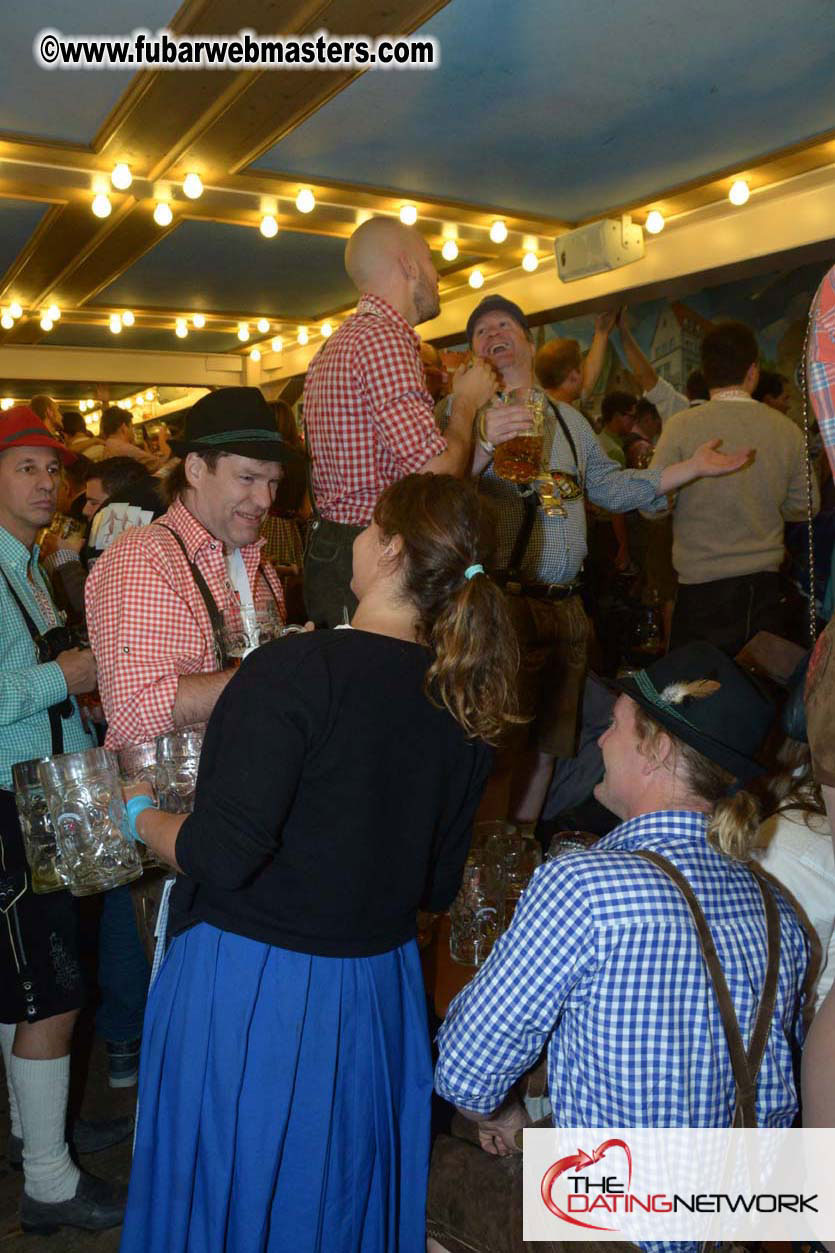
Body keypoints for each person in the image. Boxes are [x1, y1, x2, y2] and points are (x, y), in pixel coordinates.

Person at [118, 473, 519, 1252]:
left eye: (369, 527)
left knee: (232, 1196)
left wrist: (137, 811)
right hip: (376, 986)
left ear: (392, 549)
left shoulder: (295, 668)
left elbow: (216, 853)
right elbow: (436, 882)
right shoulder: (465, 697)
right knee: (338, 1201)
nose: (357, 540)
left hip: (254, 984)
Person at [435, 644, 808, 1189]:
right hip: (740, 1213)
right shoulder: (780, 914)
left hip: (617, 1217)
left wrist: (509, 1120)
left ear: (656, 749)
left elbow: (465, 1072)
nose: (601, 741)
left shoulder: (585, 889)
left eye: (614, 725)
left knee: (431, 1163)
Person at [469, 294, 751, 823]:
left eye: (504, 324)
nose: (493, 334)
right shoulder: (461, 416)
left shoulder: (570, 422)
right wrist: (479, 440)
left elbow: (612, 487)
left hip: (564, 609)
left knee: (551, 747)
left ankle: (524, 847)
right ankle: (486, 859)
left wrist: (689, 468)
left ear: (527, 339)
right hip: (499, 608)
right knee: (496, 748)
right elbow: (441, 491)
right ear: (473, 352)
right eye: (481, 331)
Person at [0, 407, 130, 1234]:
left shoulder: (28, 563)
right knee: (51, 991)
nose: (47, 482)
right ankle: (48, 1181)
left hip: (39, 795)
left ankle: (34, 1134)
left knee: (22, 986)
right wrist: (66, 677)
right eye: (26, 467)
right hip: (10, 803)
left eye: (53, 469)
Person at [302, 215, 496, 627]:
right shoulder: (384, 339)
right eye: (429, 260)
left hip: (336, 547)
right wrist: (465, 402)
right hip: (372, 551)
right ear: (408, 265)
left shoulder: (335, 344)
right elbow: (432, 471)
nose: (437, 274)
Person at [86, 388, 293, 750]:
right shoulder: (143, 559)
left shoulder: (257, 563)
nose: (265, 500)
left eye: (273, 481)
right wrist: (278, 671)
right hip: (179, 785)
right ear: (196, 469)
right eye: (247, 478)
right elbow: (134, 714)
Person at [649, 320, 819, 654]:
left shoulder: (681, 426)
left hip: (699, 590)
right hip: (764, 590)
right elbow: (807, 505)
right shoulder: (786, 430)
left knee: (697, 684)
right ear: (752, 371)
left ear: (705, 372)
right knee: (758, 684)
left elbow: (650, 505)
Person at [99, 406, 162, 472]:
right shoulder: (125, 449)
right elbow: (159, 464)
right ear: (123, 427)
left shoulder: (108, 447)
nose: (132, 431)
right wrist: (162, 441)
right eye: (131, 426)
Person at [596, 389, 637, 466]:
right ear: (617, 416)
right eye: (632, 417)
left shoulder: (596, 439)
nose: (634, 422)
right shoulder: (615, 452)